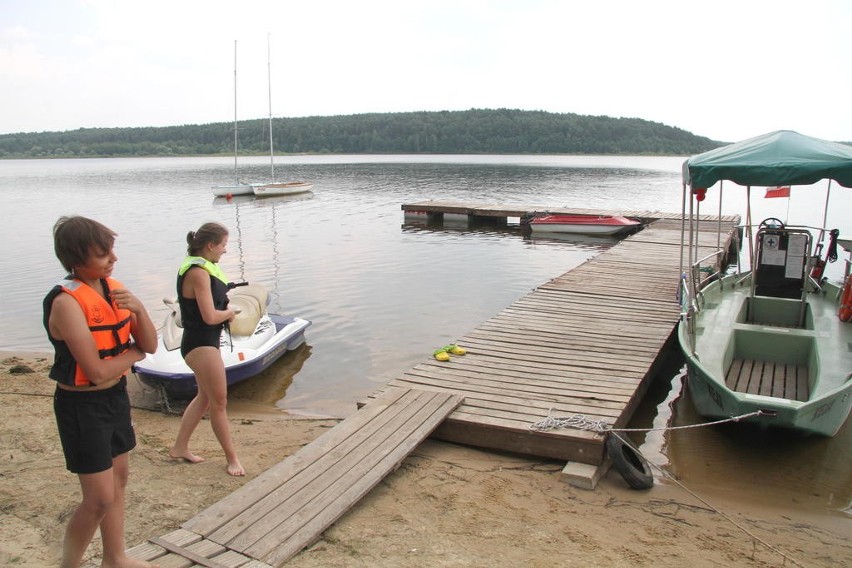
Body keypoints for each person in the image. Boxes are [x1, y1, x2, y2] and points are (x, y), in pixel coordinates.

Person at [43, 216, 158, 568]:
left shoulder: (114, 292)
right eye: (103, 253)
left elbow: (151, 344)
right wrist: (134, 354)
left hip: (115, 398)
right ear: (75, 259)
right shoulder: (66, 303)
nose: (113, 259)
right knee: (98, 500)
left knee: (119, 481)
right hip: (82, 406)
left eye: (112, 250)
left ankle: (115, 557)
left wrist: (138, 307)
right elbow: (94, 371)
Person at [168, 222, 245, 476]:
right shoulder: (198, 273)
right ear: (210, 245)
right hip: (199, 344)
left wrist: (224, 309)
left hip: (204, 342)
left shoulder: (202, 267)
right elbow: (210, 317)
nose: (224, 250)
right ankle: (232, 459)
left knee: (204, 398)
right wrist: (229, 313)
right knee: (219, 402)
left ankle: (180, 448)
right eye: (223, 244)